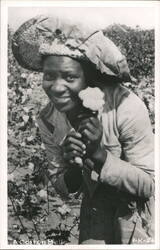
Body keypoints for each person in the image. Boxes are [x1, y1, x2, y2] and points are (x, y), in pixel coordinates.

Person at [12, 15, 154, 244]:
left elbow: (148, 185)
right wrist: (74, 167)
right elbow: (63, 187)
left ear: (87, 79)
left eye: (69, 77)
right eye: (49, 76)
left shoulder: (126, 106)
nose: (56, 88)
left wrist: (99, 155)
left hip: (135, 215)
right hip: (94, 212)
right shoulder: (48, 119)